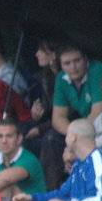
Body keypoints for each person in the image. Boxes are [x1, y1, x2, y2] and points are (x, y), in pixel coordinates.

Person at [24, 37, 66, 192]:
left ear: (54, 55)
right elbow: (48, 111)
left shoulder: (65, 78)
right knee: (21, 132)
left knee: (50, 138)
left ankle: (49, 189)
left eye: (41, 51)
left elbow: (68, 114)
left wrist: (40, 128)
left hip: (64, 127)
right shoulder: (44, 78)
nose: (37, 54)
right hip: (49, 123)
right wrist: (36, 116)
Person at [51, 44, 102, 137]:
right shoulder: (61, 78)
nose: (73, 67)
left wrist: (81, 135)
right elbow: (58, 118)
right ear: (61, 65)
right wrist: (74, 135)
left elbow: (98, 112)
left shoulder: (98, 70)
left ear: (85, 58)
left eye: (77, 60)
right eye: (67, 63)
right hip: (84, 129)